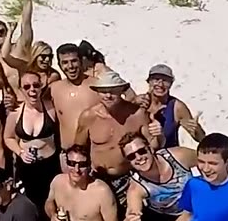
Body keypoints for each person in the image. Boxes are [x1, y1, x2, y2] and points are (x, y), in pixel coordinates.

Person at [74, 70, 160, 199]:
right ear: (97, 92)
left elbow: (153, 146)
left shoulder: (137, 114)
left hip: (129, 178)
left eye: (113, 91)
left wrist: (158, 134)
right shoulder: (89, 117)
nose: (108, 95)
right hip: (97, 178)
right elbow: (78, 150)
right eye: (103, 91)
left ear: (121, 91)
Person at [3, 70, 61, 215]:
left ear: (41, 86)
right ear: (21, 90)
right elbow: (8, 137)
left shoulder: (52, 109)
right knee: (31, 203)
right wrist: (20, 152)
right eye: (27, 87)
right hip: (27, 166)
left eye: (35, 85)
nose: (32, 90)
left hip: (50, 164)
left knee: (53, 200)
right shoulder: (15, 113)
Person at [48, 43, 101, 153]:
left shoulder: (97, 86)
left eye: (74, 61)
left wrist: (137, 100)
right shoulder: (54, 89)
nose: (70, 66)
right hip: (66, 155)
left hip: (92, 153)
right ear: (59, 65)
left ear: (81, 61)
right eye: (65, 63)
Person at [141, 65, 204, 146]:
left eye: (165, 80)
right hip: (140, 155)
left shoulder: (177, 107)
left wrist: (197, 130)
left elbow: (200, 138)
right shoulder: (140, 103)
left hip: (167, 154)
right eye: (156, 79)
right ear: (149, 81)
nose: (160, 84)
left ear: (171, 84)